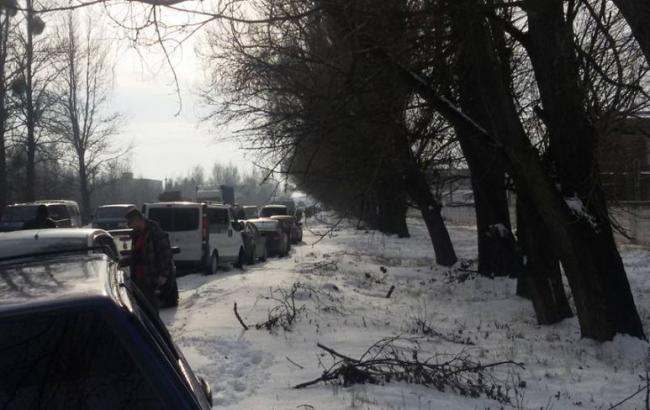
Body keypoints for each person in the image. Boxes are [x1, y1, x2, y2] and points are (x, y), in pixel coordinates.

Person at [123, 208, 173, 312]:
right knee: (141, 311)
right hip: (137, 280)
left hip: (149, 279)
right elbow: (137, 256)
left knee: (151, 311)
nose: (129, 225)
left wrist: (163, 275)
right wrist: (124, 261)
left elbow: (165, 254)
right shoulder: (136, 235)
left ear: (137, 219)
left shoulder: (155, 232)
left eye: (130, 222)